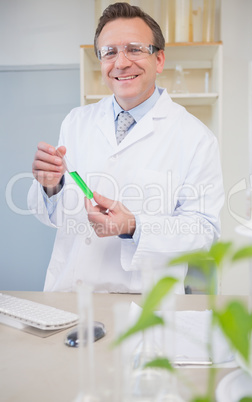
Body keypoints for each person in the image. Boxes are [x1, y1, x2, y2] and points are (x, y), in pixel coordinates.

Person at [27, 2, 224, 293]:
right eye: (109, 52)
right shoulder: (76, 122)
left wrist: (133, 226)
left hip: (143, 307)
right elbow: (55, 213)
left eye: (134, 49)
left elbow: (205, 232)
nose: (120, 63)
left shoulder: (197, 138)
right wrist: (51, 186)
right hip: (69, 296)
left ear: (158, 60)